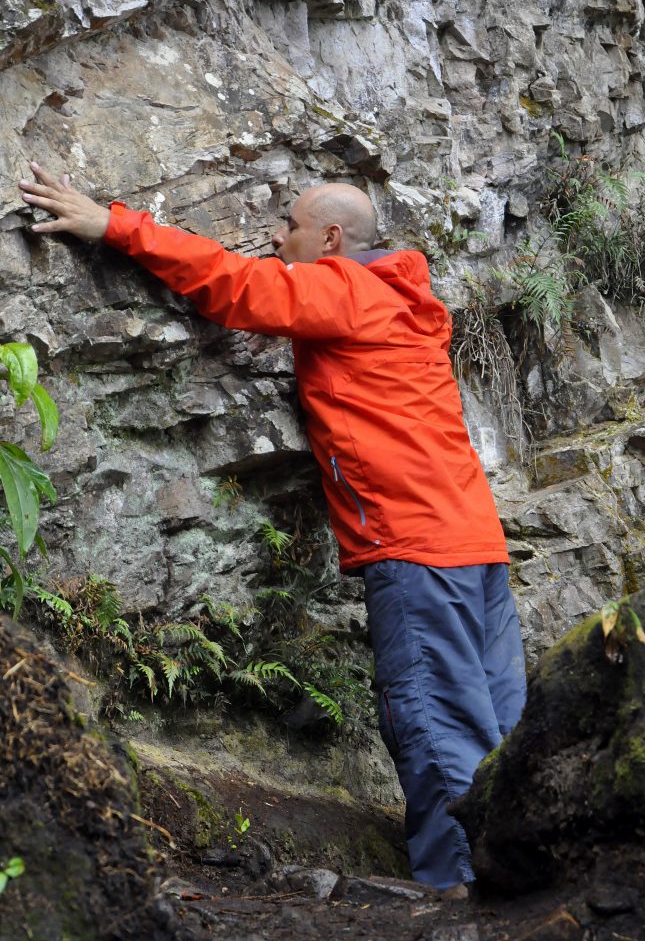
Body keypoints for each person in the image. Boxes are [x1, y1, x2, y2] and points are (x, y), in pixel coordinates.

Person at [19, 162, 526, 890]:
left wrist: (114, 224)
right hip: (477, 547)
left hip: (417, 551)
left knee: (439, 728)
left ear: (328, 239)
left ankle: (462, 900)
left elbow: (238, 286)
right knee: (499, 735)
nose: (273, 234)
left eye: (287, 224)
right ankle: (526, 888)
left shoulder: (348, 286)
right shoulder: (407, 300)